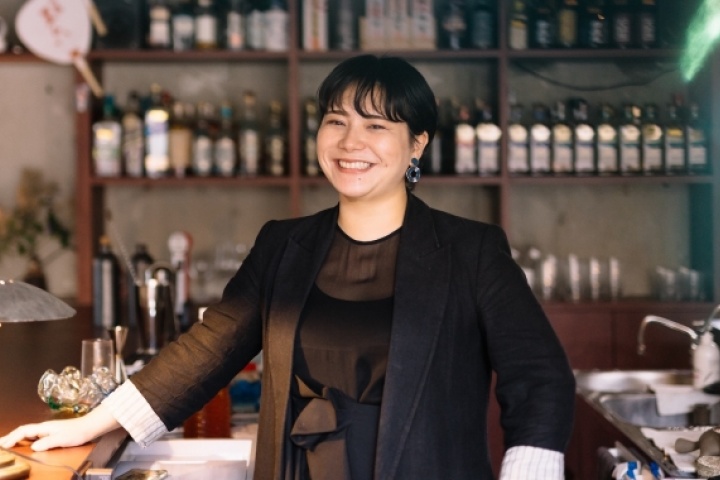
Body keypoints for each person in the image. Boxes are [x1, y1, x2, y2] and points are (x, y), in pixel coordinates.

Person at [0, 54, 575, 479]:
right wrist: (94, 423)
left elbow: (539, 378)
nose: (351, 142)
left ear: (416, 144)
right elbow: (207, 350)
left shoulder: (471, 252)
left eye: (377, 126)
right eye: (336, 120)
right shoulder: (283, 245)